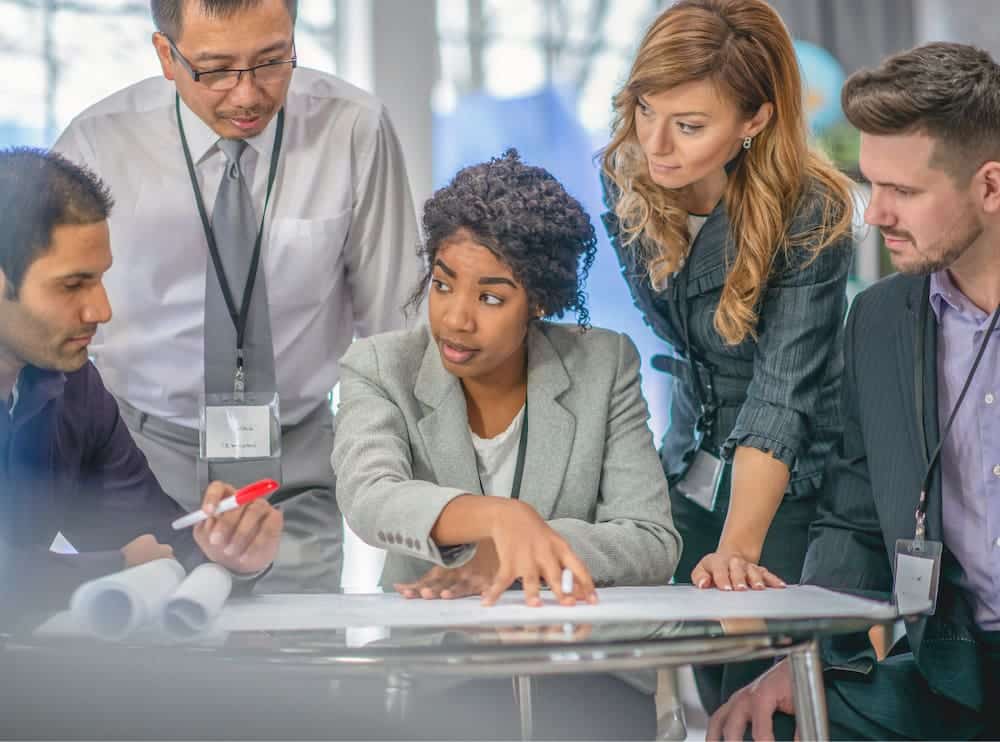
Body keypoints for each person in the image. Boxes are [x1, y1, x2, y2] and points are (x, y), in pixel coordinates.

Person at [52, 0, 421, 592]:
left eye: (273, 61)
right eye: (216, 69)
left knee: (294, 668)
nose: (247, 95)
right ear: (165, 56)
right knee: (145, 665)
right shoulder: (98, 145)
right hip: (138, 456)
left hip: (295, 459)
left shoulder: (352, 127)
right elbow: (53, 324)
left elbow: (395, 331)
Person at [333, 150, 681, 740]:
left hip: (590, 671)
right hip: (444, 681)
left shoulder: (602, 363)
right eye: (443, 286)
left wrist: (516, 558)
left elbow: (652, 542)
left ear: (539, 301)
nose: (456, 318)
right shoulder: (379, 366)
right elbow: (370, 496)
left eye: (491, 298)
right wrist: (498, 519)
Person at [709, 42, 1000, 741]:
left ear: (991, 187)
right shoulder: (877, 320)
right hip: (953, 665)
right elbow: (854, 516)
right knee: (767, 723)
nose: (875, 215)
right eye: (874, 186)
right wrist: (813, 665)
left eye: (904, 191)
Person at [599, 0, 855, 711]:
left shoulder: (812, 211)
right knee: (707, 694)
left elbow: (781, 397)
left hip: (789, 488)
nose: (657, 143)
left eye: (689, 126)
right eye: (646, 109)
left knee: (761, 697)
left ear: (755, 121)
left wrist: (738, 551)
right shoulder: (629, 176)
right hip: (690, 465)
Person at [0, 147, 284, 624]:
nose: (101, 311)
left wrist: (228, 553)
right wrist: (112, 569)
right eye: (73, 285)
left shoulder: (73, 389)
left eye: (100, 280)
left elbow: (155, 541)